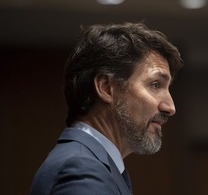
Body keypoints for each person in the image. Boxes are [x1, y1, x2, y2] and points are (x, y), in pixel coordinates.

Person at [30, 22, 183, 195]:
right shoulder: (81, 168)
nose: (170, 107)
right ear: (106, 88)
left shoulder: (90, 163)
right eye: (155, 85)